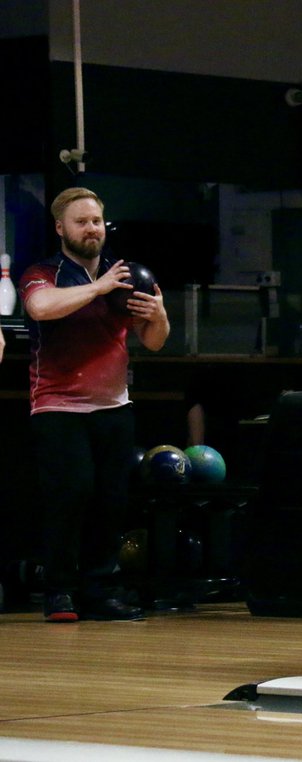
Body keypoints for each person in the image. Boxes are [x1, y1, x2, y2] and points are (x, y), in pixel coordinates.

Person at [18, 187, 171, 622]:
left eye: (97, 221)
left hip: (113, 407)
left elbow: (155, 342)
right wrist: (98, 288)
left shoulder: (126, 276)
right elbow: (41, 308)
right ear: (61, 228)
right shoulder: (42, 273)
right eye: (81, 221)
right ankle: (60, 593)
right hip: (58, 407)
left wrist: (158, 314)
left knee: (110, 501)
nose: (91, 229)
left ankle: (100, 591)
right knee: (72, 495)